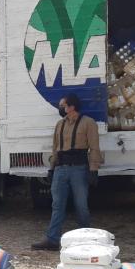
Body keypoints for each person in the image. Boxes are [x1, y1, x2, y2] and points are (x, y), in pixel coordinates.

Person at [32, 93, 102, 251]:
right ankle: (52, 239)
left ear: (72, 107)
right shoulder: (59, 124)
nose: (60, 108)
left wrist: (93, 170)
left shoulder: (88, 123)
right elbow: (56, 148)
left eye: (63, 105)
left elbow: (94, 148)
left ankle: (86, 240)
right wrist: (52, 168)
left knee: (81, 205)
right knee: (57, 205)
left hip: (79, 168)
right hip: (60, 169)